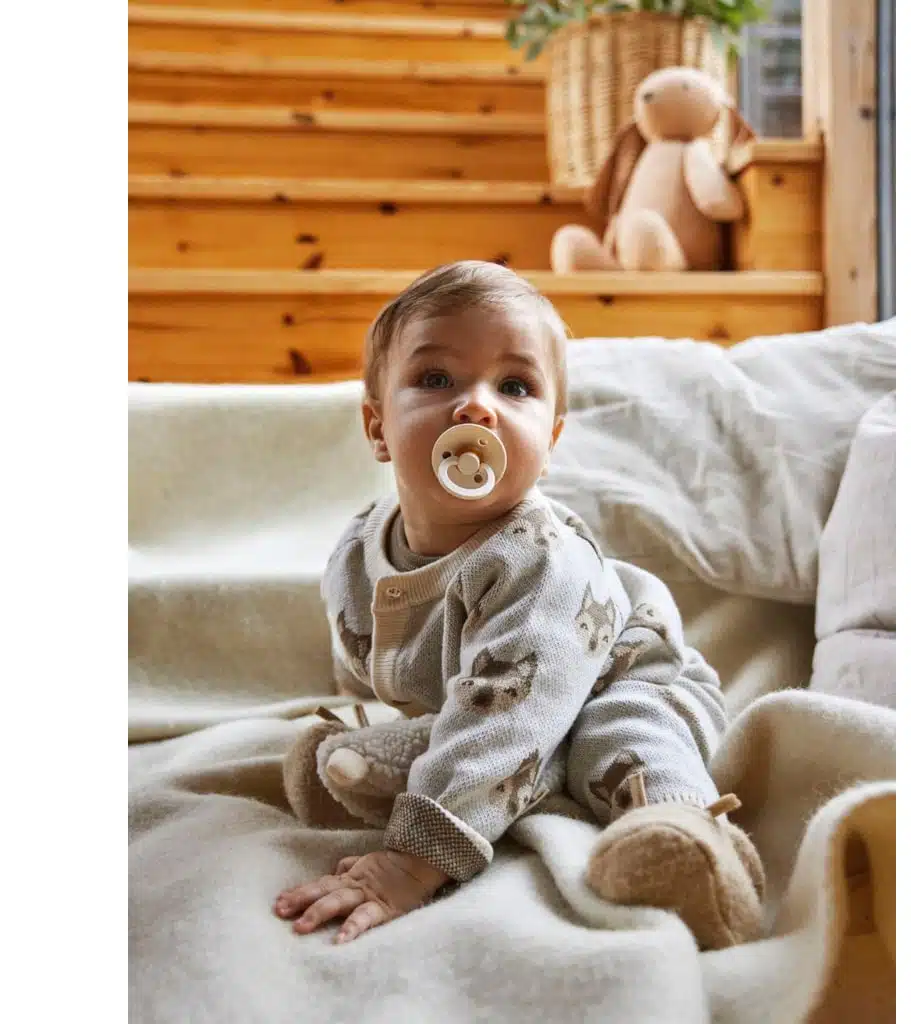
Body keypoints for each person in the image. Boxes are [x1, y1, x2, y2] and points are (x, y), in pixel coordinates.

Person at [273, 261, 764, 950]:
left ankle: (686, 840)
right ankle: (378, 769)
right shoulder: (358, 549)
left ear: (550, 442)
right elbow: (382, 660)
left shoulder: (538, 557)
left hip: (624, 674)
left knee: (617, 741)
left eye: (514, 387)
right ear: (377, 427)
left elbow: (508, 709)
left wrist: (412, 862)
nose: (476, 407)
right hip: (497, 705)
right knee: (465, 729)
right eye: (436, 378)